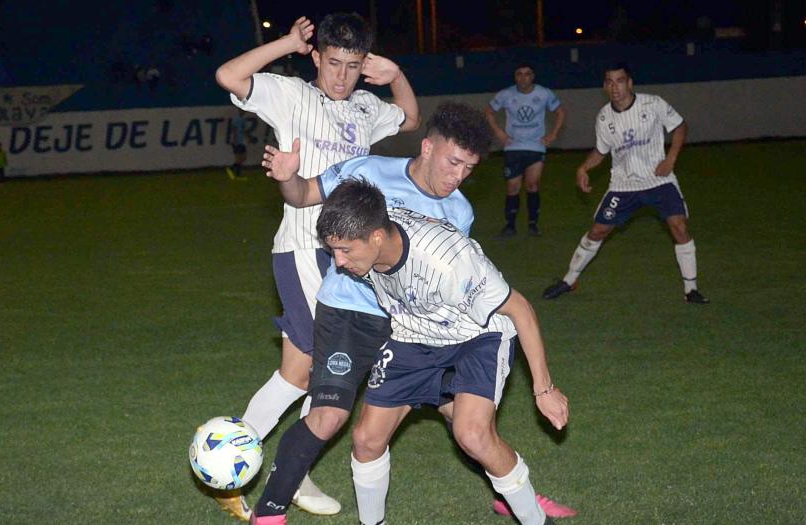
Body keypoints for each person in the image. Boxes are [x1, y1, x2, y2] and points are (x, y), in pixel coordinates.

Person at [252, 103, 577, 524]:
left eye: (468, 167)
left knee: (467, 425)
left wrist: (543, 386)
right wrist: (288, 178)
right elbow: (303, 197)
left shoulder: (456, 219)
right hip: (353, 312)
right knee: (338, 418)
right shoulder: (368, 172)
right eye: (453, 161)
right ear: (427, 147)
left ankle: (516, 492)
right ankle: (270, 511)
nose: (458, 175)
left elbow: (476, 292)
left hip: (417, 321)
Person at [214, 12, 420, 521]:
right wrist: (283, 42)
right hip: (305, 250)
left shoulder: (368, 106)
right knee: (316, 368)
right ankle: (236, 461)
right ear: (315, 58)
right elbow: (229, 77)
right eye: (333, 63)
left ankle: (271, 465)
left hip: (350, 259)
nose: (342, 76)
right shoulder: (291, 94)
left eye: (353, 65)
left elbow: (411, 120)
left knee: (299, 371)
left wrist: (395, 77)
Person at [315, 179, 570, 525]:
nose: (339, 261)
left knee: (473, 435)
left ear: (376, 236)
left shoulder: (448, 261)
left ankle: (537, 521)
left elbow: (521, 310)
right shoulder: (371, 240)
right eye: (333, 251)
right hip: (414, 333)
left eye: (345, 250)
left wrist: (544, 389)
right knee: (366, 439)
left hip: (477, 336)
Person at [541, 62, 710, 304]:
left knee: (679, 226)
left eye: (620, 81)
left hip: (659, 180)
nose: (615, 87)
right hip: (624, 186)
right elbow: (601, 151)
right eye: (609, 82)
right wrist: (583, 167)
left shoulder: (653, 104)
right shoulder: (603, 117)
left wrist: (671, 159)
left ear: (630, 83)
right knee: (598, 230)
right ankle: (569, 280)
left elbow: (680, 127)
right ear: (604, 86)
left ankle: (691, 290)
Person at [486, 64, 566, 238]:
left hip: (535, 147)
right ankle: (510, 225)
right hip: (513, 147)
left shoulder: (543, 93)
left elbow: (560, 112)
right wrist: (499, 132)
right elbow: (489, 111)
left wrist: (553, 134)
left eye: (527, 74)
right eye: (519, 74)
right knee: (513, 186)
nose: (523, 78)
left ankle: (533, 224)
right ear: (515, 77)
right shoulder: (506, 94)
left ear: (533, 76)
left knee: (532, 185)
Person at [226, 107, 247, 180]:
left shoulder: (243, 119)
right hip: (238, 141)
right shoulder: (237, 119)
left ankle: (235, 171)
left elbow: (244, 130)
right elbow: (234, 130)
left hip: (241, 141)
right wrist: (235, 140)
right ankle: (235, 172)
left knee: (242, 158)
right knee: (239, 158)